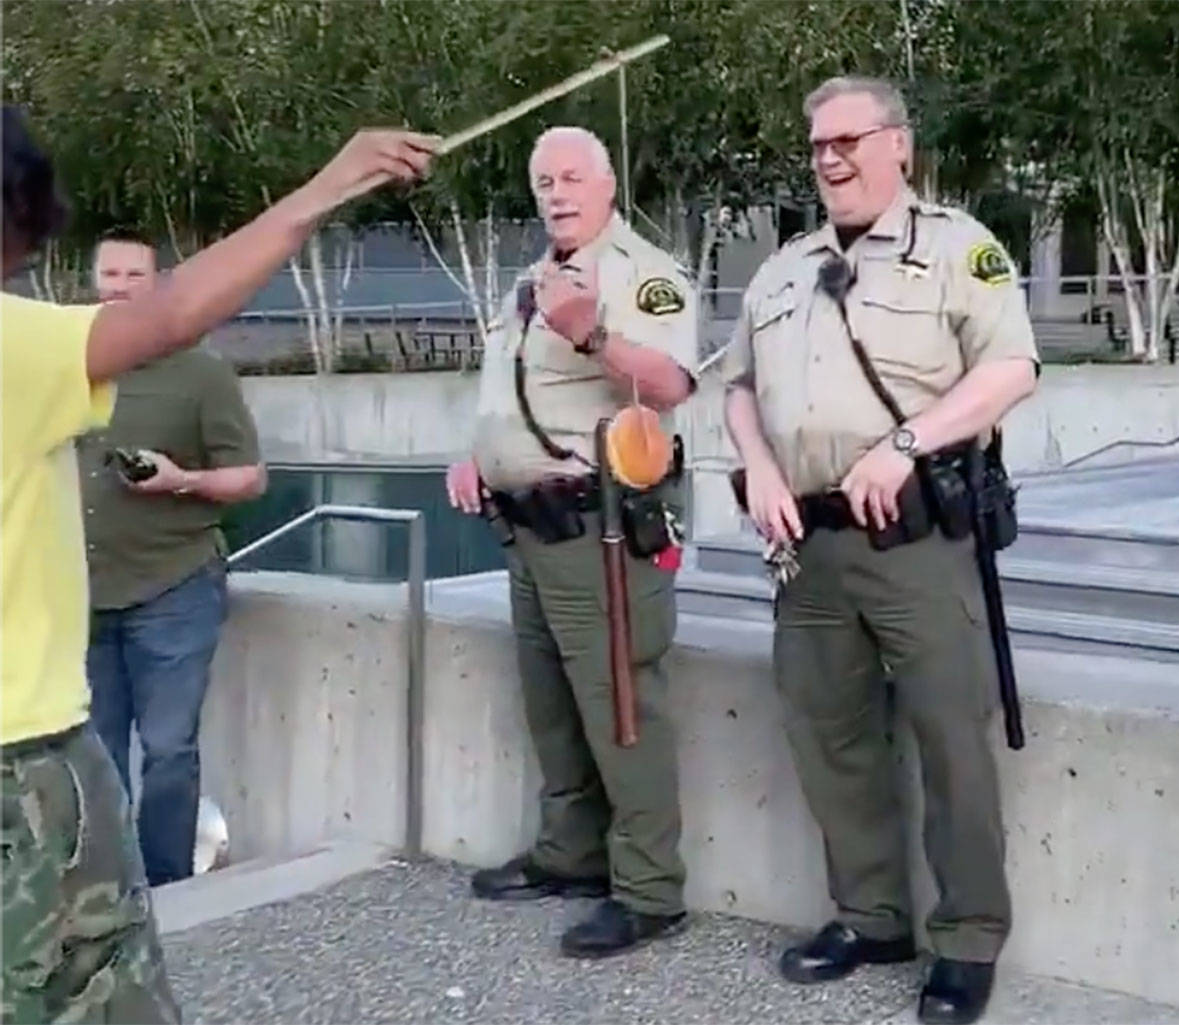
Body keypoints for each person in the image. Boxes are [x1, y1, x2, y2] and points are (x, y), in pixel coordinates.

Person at [1, 103, 437, 1023]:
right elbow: (176, 311)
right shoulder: (14, 344)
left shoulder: (172, 378)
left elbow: (235, 460)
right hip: (23, 757)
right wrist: (327, 186)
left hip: (158, 598)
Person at [721, 77, 1039, 1025]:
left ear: (899, 145)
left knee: (951, 743)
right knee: (831, 739)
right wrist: (759, 470)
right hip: (807, 543)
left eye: (848, 140)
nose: (830, 159)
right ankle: (871, 916)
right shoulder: (782, 270)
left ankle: (969, 940)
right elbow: (737, 386)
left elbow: (1013, 367)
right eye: (818, 145)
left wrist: (907, 445)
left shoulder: (957, 250)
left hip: (918, 544)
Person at [446, 126, 698, 959]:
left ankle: (650, 889)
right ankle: (572, 853)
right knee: (552, 707)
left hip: (601, 526)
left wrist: (592, 333)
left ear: (607, 183)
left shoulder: (645, 276)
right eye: (543, 180)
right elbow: (514, 390)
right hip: (527, 526)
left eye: (570, 178)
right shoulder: (529, 281)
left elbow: (669, 387)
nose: (555, 193)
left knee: (622, 708)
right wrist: (479, 454)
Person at [77, 234, 266, 887]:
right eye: (110, 272)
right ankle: (105, 891)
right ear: (94, 279)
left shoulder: (202, 373)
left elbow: (249, 478)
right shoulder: (72, 365)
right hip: (85, 593)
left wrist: (180, 479)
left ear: (158, 284)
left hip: (174, 588)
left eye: (136, 273)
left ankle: (168, 891)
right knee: (93, 755)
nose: (121, 284)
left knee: (166, 750)